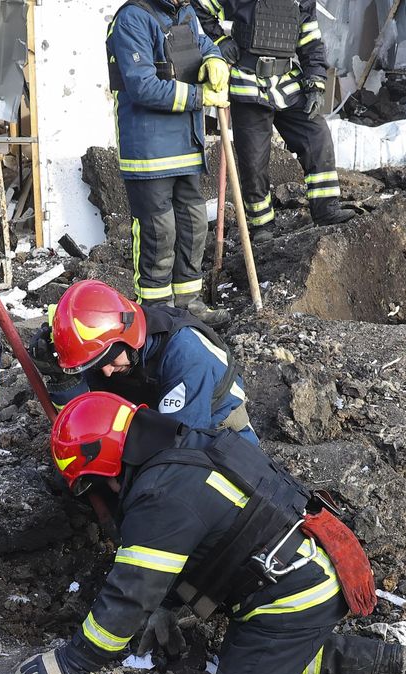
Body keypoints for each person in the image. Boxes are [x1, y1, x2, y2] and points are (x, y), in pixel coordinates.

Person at [15, 392, 406, 674]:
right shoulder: (181, 448)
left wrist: (74, 660)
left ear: (104, 466)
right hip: (305, 565)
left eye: (89, 486)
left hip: (295, 591)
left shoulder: (160, 494)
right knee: (259, 651)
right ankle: (368, 667)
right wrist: (167, 603)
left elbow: (128, 596)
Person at [108, 0, 232, 322]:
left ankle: (188, 302)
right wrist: (200, 97)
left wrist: (215, 59)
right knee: (158, 232)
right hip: (149, 152)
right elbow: (143, 86)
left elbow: (203, 44)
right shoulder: (132, 19)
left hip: (186, 144)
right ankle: (156, 313)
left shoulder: (185, 14)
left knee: (194, 224)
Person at [194, 0, 354, 231]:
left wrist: (316, 83)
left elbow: (310, 38)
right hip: (246, 84)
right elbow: (200, 6)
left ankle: (326, 210)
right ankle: (262, 226)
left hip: (288, 83)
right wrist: (220, 41)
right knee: (253, 161)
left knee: (317, 137)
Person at [34, 279, 255, 441]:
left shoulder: (186, 355)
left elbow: (179, 447)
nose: (107, 372)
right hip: (158, 425)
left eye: (111, 362)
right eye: (98, 365)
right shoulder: (103, 350)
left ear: (129, 339)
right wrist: (63, 380)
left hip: (221, 441)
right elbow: (82, 418)